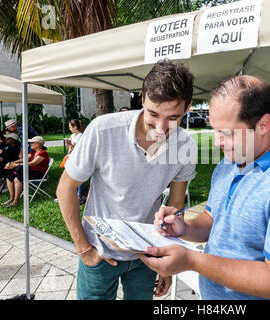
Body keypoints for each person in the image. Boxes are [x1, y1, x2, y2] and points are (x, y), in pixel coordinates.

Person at [139, 75, 270, 300]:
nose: (217, 142)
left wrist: (192, 260)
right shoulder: (228, 165)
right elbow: (213, 221)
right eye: (215, 130)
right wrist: (184, 228)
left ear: (263, 125)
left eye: (227, 133)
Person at [56, 60, 197, 300]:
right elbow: (65, 189)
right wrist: (84, 249)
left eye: (172, 117)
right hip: (99, 251)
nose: (161, 128)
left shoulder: (186, 144)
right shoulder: (103, 130)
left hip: (147, 254)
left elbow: (175, 207)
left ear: (187, 108)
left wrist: (167, 260)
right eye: (153, 114)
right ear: (142, 99)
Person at [3, 136, 49, 208]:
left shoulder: (43, 153)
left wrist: (17, 165)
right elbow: (24, 159)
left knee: (17, 179)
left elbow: (33, 163)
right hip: (31, 171)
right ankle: (11, 198)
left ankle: (16, 201)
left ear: (38, 144)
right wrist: (12, 162)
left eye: (32, 143)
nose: (30, 144)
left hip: (38, 173)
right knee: (9, 178)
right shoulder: (34, 151)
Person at [66, 119, 86, 204]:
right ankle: (73, 194)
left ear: (75, 127)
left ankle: (79, 195)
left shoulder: (81, 136)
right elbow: (69, 149)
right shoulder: (72, 135)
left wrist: (71, 144)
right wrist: (68, 144)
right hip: (71, 157)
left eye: (70, 127)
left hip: (78, 158)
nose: (69, 128)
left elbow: (78, 149)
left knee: (78, 176)